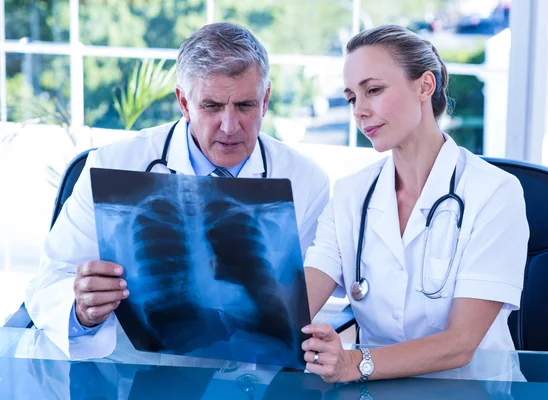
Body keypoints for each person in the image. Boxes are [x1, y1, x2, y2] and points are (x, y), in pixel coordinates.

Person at [24, 22, 330, 360]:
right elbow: (48, 282)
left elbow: (304, 308)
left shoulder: (306, 181)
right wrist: (81, 308)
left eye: (245, 105)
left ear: (266, 99)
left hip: (258, 375)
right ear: (184, 102)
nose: (230, 127)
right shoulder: (111, 166)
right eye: (211, 106)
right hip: (134, 373)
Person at [301, 24, 529, 383]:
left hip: (472, 391)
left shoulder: (495, 192)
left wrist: (352, 363)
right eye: (351, 98)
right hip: (379, 391)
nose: (359, 110)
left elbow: (460, 344)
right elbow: (297, 303)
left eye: (373, 90)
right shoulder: (349, 195)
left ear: (425, 86)